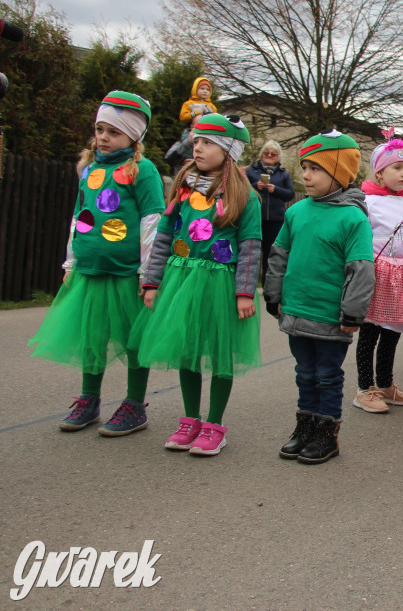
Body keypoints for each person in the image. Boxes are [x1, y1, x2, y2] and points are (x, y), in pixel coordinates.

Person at [30, 91, 165, 435]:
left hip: (125, 271)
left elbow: (152, 220)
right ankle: (89, 400)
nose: (103, 137)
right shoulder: (89, 169)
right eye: (100, 129)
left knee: (133, 339)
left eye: (113, 131)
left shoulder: (143, 170)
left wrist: (147, 272)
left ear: (134, 137)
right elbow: (79, 217)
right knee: (92, 337)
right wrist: (70, 262)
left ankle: (135, 405)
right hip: (89, 269)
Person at [134, 114, 262, 456]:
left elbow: (251, 245)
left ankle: (214, 425)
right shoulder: (184, 186)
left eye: (207, 142)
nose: (198, 147)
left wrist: (245, 292)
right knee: (187, 350)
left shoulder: (244, 195)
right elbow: (163, 237)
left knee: (220, 353)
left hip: (218, 282)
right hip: (180, 277)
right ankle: (190, 418)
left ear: (227, 150)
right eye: (196, 142)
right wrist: (152, 281)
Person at [264, 130, 374, 464]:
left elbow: (361, 269)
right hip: (297, 310)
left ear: (339, 172)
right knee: (304, 372)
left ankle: (327, 433)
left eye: (315, 168)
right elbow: (279, 254)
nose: (306, 175)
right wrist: (273, 293)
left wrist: (353, 314)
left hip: (330, 318)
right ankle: (305, 426)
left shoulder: (353, 217)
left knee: (327, 375)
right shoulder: (296, 212)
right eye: (304, 167)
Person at [352, 133, 403, 414]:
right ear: (379, 172)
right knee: (370, 332)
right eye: (396, 167)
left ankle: (384, 383)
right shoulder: (367, 202)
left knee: (392, 332)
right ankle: (364, 388)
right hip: (378, 274)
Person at [245, 140, 295, 283]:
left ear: (277, 157)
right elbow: (242, 190)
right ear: (262, 154)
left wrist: (275, 189)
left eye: (273, 154)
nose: (269, 156)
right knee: (251, 252)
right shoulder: (251, 171)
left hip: (275, 219)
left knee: (271, 253)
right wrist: (256, 186)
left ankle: (268, 284)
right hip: (255, 217)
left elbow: (290, 194)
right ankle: (250, 283)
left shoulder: (283, 174)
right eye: (266, 153)